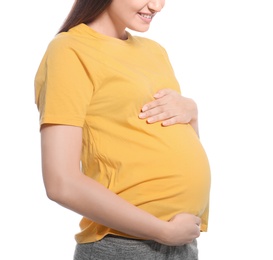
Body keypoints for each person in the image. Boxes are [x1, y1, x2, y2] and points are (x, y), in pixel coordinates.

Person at [34, 0, 211, 259]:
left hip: (182, 242)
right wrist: (161, 231)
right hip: (125, 245)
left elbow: (172, 142)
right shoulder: (70, 50)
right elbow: (61, 182)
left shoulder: (155, 51)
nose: (158, 6)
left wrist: (192, 114)